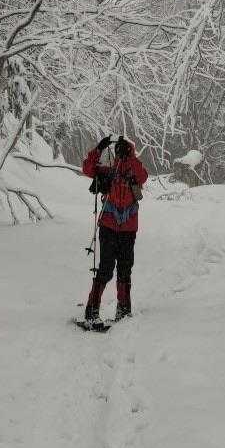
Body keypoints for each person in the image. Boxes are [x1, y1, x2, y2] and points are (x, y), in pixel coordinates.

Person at [82, 135, 148, 322]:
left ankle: (123, 310)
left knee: (125, 269)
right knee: (106, 268)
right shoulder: (109, 170)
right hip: (109, 227)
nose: (120, 153)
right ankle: (92, 310)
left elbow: (143, 177)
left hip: (127, 229)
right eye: (120, 150)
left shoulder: (134, 169)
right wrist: (99, 148)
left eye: (123, 149)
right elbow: (88, 169)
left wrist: (131, 156)